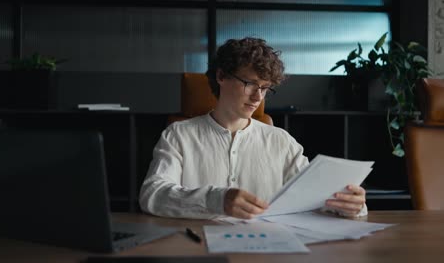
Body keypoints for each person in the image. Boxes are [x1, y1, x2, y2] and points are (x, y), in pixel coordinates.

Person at [139, 37, 367, 219]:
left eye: (265, 88)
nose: (258, 96)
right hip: (198, 247)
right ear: (221, 76)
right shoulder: (179, 134)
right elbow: (153, 194)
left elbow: (312, 198)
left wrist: (349, 204)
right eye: (249, 84)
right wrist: (217, 200)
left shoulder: (281, 141)